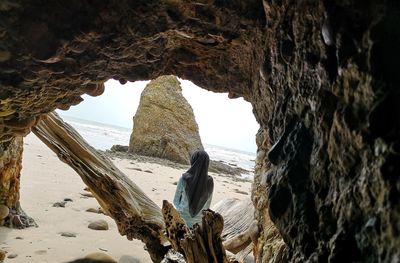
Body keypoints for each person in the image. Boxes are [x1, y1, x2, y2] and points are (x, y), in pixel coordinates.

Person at [173, 150, 214, 227]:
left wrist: (182, 211)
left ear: (193, 161)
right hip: (198, 224)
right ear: (207, 163)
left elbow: (175, 201)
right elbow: (208, 205)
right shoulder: (210, 182)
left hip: (181, 221)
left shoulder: (184, 178)